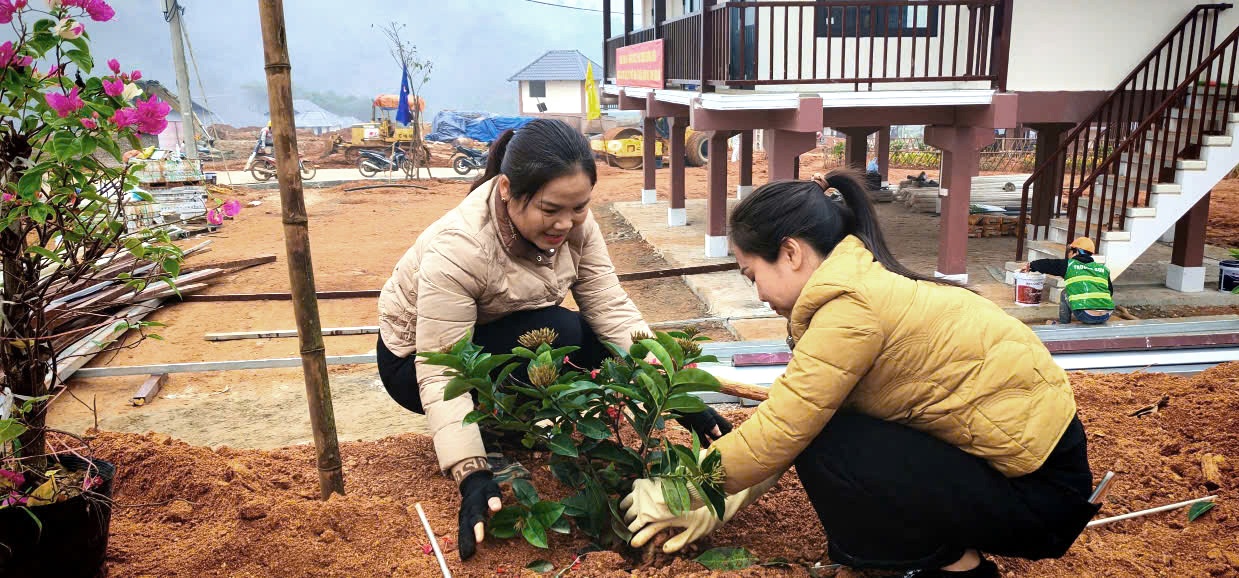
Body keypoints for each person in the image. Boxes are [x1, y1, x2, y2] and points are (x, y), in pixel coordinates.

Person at [620, 169, 1099, 577]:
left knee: (834, 447)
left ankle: (953, 565)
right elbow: (797, 422)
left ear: (790, 253)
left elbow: (786, 430)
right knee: (831, 436)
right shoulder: (858, 290)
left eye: (751, 274)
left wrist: (680, 489)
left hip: (1041, 500)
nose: (757, 293)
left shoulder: (851, 310)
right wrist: (721, 502)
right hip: (1031, 479)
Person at [376, 118, 731, 561]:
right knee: (563, 333)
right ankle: (488, 432)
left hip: (502, 330)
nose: (565, 223)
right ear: (507, 188)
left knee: (590, 337)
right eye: (550, 210)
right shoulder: (460, 249)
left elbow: (610, 306)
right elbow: (441, 366)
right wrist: (471, 473)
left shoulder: (576, 223)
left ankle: (507, 421)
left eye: (579, 207)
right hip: (414, 362)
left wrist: (676, 394)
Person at [1022, 237, 1114, 325]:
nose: (1068, 254)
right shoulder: (1103, 269)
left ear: (1076, 251)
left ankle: (1063, 323)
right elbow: (1110, 292)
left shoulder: (1069, 265)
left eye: (1070, 251)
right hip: (1106, 315)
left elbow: (1048, 264)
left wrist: (1031, 266)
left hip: (1086, 315)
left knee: (1065, 293)